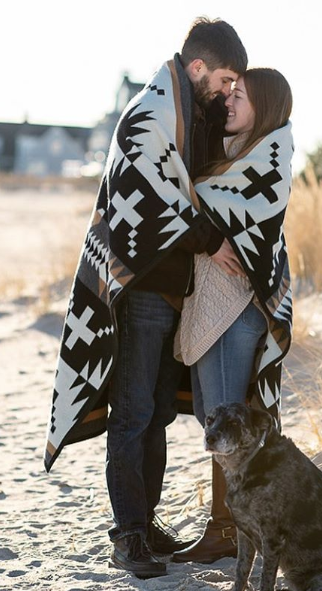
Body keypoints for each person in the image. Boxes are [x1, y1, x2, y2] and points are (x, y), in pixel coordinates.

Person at [43, 17, 247, 579]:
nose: (229, 91)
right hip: (142, 288)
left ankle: (145, 520)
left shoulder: (186, 114)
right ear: (198, 66)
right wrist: (210, 239)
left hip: (173, 288)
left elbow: (192, 182)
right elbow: (151, 198)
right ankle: (128, 533)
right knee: (132, 412)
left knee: (155, 411)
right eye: (226, 79)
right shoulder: (149, 115)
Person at [172, 68, 294, 564]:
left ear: (260, 107)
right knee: (213, 417)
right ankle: (233, 526)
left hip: (236, 311)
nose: (228, 101)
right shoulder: (235, 155)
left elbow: (197, 202)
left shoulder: (267, 161)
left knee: (225, 426)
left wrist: (189, 193)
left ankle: (227, 528)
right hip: (218, 309)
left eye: (238, 95)